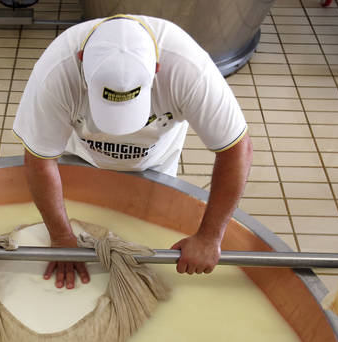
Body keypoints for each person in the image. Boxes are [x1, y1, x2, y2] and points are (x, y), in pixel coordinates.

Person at [13, 14, 253, 288]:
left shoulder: (189, 69)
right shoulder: (56, 70)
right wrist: (60, 236)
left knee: (143, 239)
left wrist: (209, 237)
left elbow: (237, 149)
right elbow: (40, 161)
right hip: (79, 158)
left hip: (154, 164)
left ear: (157, 68)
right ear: (80, 60)